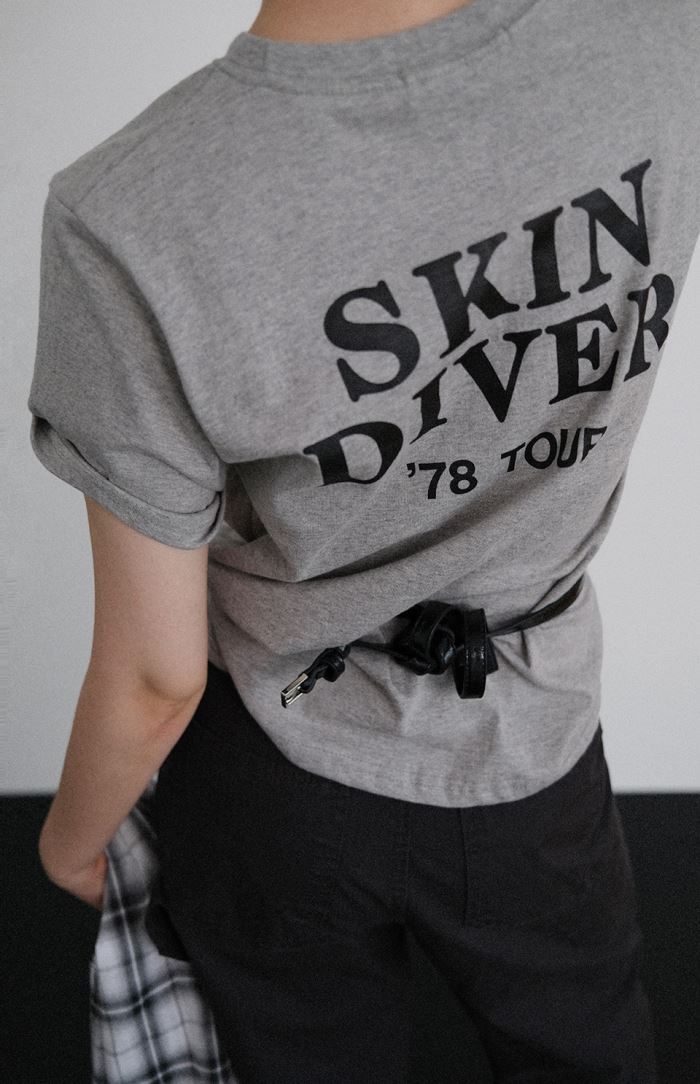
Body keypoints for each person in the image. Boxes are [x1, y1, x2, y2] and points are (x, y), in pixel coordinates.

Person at [27, 0, 700, 1079]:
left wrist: (69, 839)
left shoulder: (126, 209)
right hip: (535, 738)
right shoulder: (659, 39)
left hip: (274, 768)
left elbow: (155, 677)